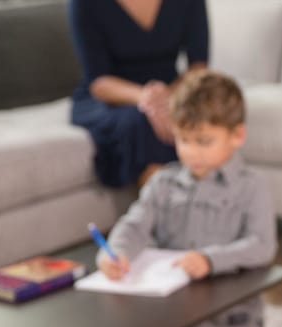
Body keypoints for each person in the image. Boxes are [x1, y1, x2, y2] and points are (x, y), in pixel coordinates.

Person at [96, 70, 282, 327]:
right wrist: (116, 251)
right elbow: (135, 224)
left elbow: (262, 246)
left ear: (236, 135)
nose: (192, 152)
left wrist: (211, 260)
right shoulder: (163, 184)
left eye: (204, 141)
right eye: (184, 140)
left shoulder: (252, 186)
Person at [68, 0, 209, 187]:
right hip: (110, 98)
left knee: (207, 113)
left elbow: (198, 67)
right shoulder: (84, 4)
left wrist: (168, 98)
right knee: (142, 122)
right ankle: (166, 210)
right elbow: (99, 81)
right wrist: (147, 98)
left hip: (173, 90)